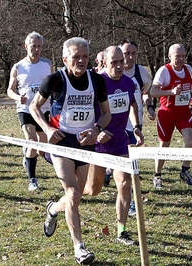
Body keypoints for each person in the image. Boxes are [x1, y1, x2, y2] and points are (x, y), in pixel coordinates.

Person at [29, 37, 111, 265]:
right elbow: (33, 106)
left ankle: (53, 209)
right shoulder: (55, 80)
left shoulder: (96, 80)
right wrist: (46, 128)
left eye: (85, 57)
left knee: (77, 194)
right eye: (76, 57)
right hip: (61, 142)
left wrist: (96, 130)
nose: (81, 61)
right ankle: (79, 248)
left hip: (85, 143)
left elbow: (106, 113)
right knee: (73, 193)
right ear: (65, 59)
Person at [83, 46, 144, 246]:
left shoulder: (128, 82)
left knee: (124, 183)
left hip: (120, 143)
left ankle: (122, 231)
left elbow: (134, 105)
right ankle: (62, 202)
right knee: (93, 190)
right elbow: (88, 111)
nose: (119, 66)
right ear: (105, 63)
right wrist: (96, 131)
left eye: (121, 61)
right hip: (98, 146)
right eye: (114, 63)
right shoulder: (96, 83)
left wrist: (136, 127)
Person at [7, 31, 53, 191]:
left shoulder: (47, 64)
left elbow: (53, 86)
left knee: (42, 147)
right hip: (25, 109)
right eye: (34, 46)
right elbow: (9, 90)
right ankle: (32, 181)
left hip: (43, 110)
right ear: (26, 46)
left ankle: (27, 153)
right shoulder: (18, 67)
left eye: (39, 46)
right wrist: (18, 97)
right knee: (32, 140)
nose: (37, 49)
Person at [150, 43, 192, 189]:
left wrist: (191, 98)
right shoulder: (164, 71)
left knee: (191, 141)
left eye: (183, 56)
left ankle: (185, 170)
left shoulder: (188, 69)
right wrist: (170, 92)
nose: (181, 59)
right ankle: (157, 175)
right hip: (167, 113)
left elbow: (188, 89)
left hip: (183, 112)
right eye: (178, 56)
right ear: (170, 56)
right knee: (164, 145)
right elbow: (153, 91)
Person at [119, 39, 155, 216]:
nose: (130, 57)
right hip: (114, 124)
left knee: (131, 165)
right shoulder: (109, 72)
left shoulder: (141, 72)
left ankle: (131, 201)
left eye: (133, 53)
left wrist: (148, 106)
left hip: (134, 124)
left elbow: (146, 92)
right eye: (127, 53)